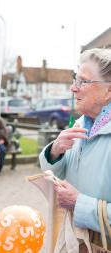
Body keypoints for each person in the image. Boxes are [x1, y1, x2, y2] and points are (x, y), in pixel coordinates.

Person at [39, 48, 111, 251]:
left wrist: (79, 203)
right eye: (75, 80)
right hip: (76, 242)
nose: (73, 88)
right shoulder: (82, 124)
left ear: (109, 91)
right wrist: (55, 151)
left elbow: (74, 198)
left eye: (82, 81)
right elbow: (58, 174)